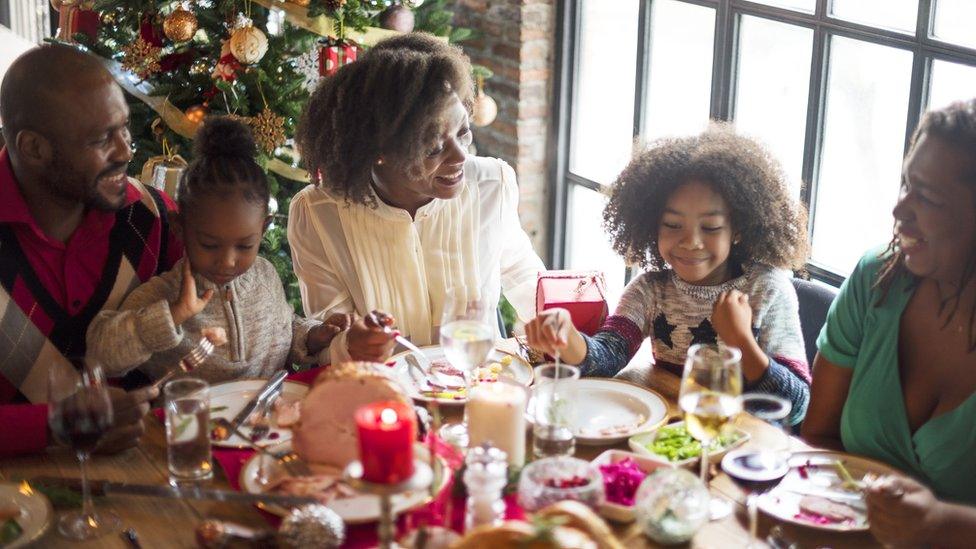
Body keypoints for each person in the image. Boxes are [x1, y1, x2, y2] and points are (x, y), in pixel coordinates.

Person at [526, 125, 811, 426]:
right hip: (676, 438)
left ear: (738, 228)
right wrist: (567, 338)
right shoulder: (650, 291)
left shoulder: (767, 290)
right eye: (673, 225)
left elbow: (797, 405)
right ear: (652, 225)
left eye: (711, 227)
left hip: (747, 450)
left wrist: (740, 340)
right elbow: (607, 358)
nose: (691, 242)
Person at [289, 33, 545, 364]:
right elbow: (327, 342)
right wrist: (348, 345)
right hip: (381, 399)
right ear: (379, 151)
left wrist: (560, 324)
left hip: (478, 390)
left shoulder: (491, 185)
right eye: (435, 147)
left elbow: (527, 278)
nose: (460, 157)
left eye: (463, 133)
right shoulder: (318, 214)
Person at [802, 99, 976, 544]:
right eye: (906, 183)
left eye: (929, 198)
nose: (900, 211)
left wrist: (942, 524)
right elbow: (817, 436)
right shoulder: (876, 278)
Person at [0, 45, 181, 456]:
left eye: (124, 130)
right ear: (33, 149)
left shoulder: (153, 218)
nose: (126, 152)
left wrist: (316, 340)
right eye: (102, 139)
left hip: (148, 483)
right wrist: (53, 426)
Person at [87, 117, 350, 383]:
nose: (227, 262)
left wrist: (313, 336)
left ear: (263, 228)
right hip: (195, 421)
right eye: (209, 245)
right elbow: (101, 356)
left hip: (274, 415)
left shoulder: (265, 275)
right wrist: (174, 314)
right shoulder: (162, 296)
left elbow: (284, 328)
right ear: (179, 228)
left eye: (245, 245)